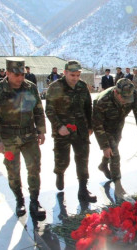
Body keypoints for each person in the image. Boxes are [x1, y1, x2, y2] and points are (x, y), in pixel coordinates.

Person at [0, 58, 46, 217]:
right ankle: (19, 200)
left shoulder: (30, 88)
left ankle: (34, 201)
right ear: (8, 73)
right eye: (16, 75)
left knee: (34, 168)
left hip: (29, 137)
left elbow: (38, 110)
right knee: (13, 171)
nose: (20, 78)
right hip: (8, 140)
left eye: (22, 74)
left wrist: (41, 130)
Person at [45, 60, 96, 203]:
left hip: (81, 129)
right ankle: (60, 173)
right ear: (65, 73)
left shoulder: (82, 86)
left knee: (83, 159)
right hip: (63, 131)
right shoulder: (55, 87)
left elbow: (88, 106)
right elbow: (49, 110)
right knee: (63, 160)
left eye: (78, 75)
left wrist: (90, 126)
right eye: (72, 75)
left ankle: (83, 189)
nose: (75, 78)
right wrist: (58, 126)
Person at [93, 78, 137, 199]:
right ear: (116, 92)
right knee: (115, 154)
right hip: (104, 128)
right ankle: (117, 184)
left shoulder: (131, 93)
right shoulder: (101, 100)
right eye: (123, 98)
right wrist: (104, 146)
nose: (126, 102)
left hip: (118, 126)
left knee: (112, 150)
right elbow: (97, 126)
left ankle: (103, 165)